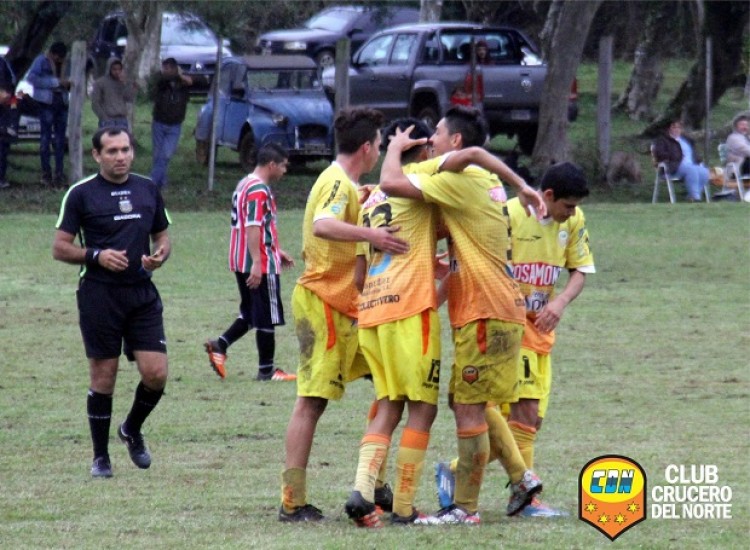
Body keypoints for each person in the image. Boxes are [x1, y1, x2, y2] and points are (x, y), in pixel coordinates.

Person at [379, 106, 546, 524]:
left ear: (454, 140)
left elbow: (391, 183)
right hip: (495, 308)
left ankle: (465, 509)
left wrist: (395, 148)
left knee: (469, 410)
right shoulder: (480, 182)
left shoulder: (458, 176)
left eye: (436, 133)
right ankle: (521, 477)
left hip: (485, 312)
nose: (430, 139)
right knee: (465, 400)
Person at [434, 162, 595, 517]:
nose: (572, 213)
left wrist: (560, 302)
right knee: (522, 411)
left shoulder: (574, 221)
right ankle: (525, 496)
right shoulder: (505, 215)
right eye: (567, 206)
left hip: (542, 332)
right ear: (547, 196)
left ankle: (456, 470)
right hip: (507, 325)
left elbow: (580, 270)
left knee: (529, 422)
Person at [279, 107, 410, 523]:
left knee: (390, 387)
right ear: (367, 147)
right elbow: (323, 224)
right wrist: (372, 235)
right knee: (311, 401)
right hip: (323, 304)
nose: (380, 152)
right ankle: (292, 501)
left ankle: (375, 484)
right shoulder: (336, 181)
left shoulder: (345, 184)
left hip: (348, 308)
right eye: (379, 145)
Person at [52, 127, 171, 478]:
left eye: (125, 150)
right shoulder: (81, 194)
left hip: (141, 294)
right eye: (112, 151)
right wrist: (96, 255)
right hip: (99, 295)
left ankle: (131, 428)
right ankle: (101, 457)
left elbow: (162, 236)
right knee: (104, 375)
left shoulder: (147, 189)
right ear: (97, 155)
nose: (120, 157)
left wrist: (160, 255)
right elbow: (60, 247)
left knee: (156, 374)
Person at [344, 119, 444, 527]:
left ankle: (362, 490)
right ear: (422, 149)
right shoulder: (420, 182)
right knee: (423, 409)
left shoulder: (369, 200)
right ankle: (404, 507)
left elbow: (358, 276)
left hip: (372, 313)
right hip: (409, 312)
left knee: (388, 405)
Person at [204, 143, 297, 382]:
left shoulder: (243, 183)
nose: (285, 171)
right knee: (266, 315)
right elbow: (253, 225)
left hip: (241, 259)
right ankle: (267, 370)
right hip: (258, 262)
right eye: (284, 166)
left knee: (251, 312)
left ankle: (220, 345)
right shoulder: (258, 189)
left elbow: (254, 224)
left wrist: (277, 250)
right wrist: (258, 261)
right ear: (272, 165)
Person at [28, 41, 70, 187]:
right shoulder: (41, 60)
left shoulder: (67, 63)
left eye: (62, 58)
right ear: (52, 54)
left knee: (60, 141)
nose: (59, 60)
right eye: (57, 57)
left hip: (62, 103)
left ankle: (59, 173)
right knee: (45, 140)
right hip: (46, 104)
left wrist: (68, 84)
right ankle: (46, 173)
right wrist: (55, 82)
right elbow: (32, 78)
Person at [150, 57, 193, 188]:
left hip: (175, 124)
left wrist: (179, 75)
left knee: (166, 154)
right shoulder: (161, 81)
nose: (166, 71)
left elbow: (190, 81)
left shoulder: (181, 83)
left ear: (175, 69)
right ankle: (161, 182)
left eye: (168, 68)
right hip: (159, 122)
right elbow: (156, 84)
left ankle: (152, 181)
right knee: (158, 154)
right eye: (164, 68)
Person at [651, 118, 709, 202]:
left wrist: (698, 159)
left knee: (704, 171)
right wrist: (673, 156)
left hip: (690, 166)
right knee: (691, 169)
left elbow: (695, 154)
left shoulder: (686, 141)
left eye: (679, 127)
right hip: (673, 167)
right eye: (674, 127)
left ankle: (692, 197)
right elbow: (659, 154)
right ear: (668, 128)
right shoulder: (662, 140)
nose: (677, 129)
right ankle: (695, 197)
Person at [91, 58, 138, 130]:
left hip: (122, 119)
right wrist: (104, 117)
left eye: (119, 69)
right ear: (109, 69)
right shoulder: (100, 82)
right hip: (108, 120)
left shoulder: (122, 82)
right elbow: (95, 103)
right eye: (114, 69)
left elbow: (129, 98)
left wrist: (128, 84)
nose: (117, 72)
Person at [0, 54, 17, 189]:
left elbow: (12, 80)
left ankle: (1, 177)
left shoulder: (3, 62)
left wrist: (7, 93)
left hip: (4, 108)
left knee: (3, 144)